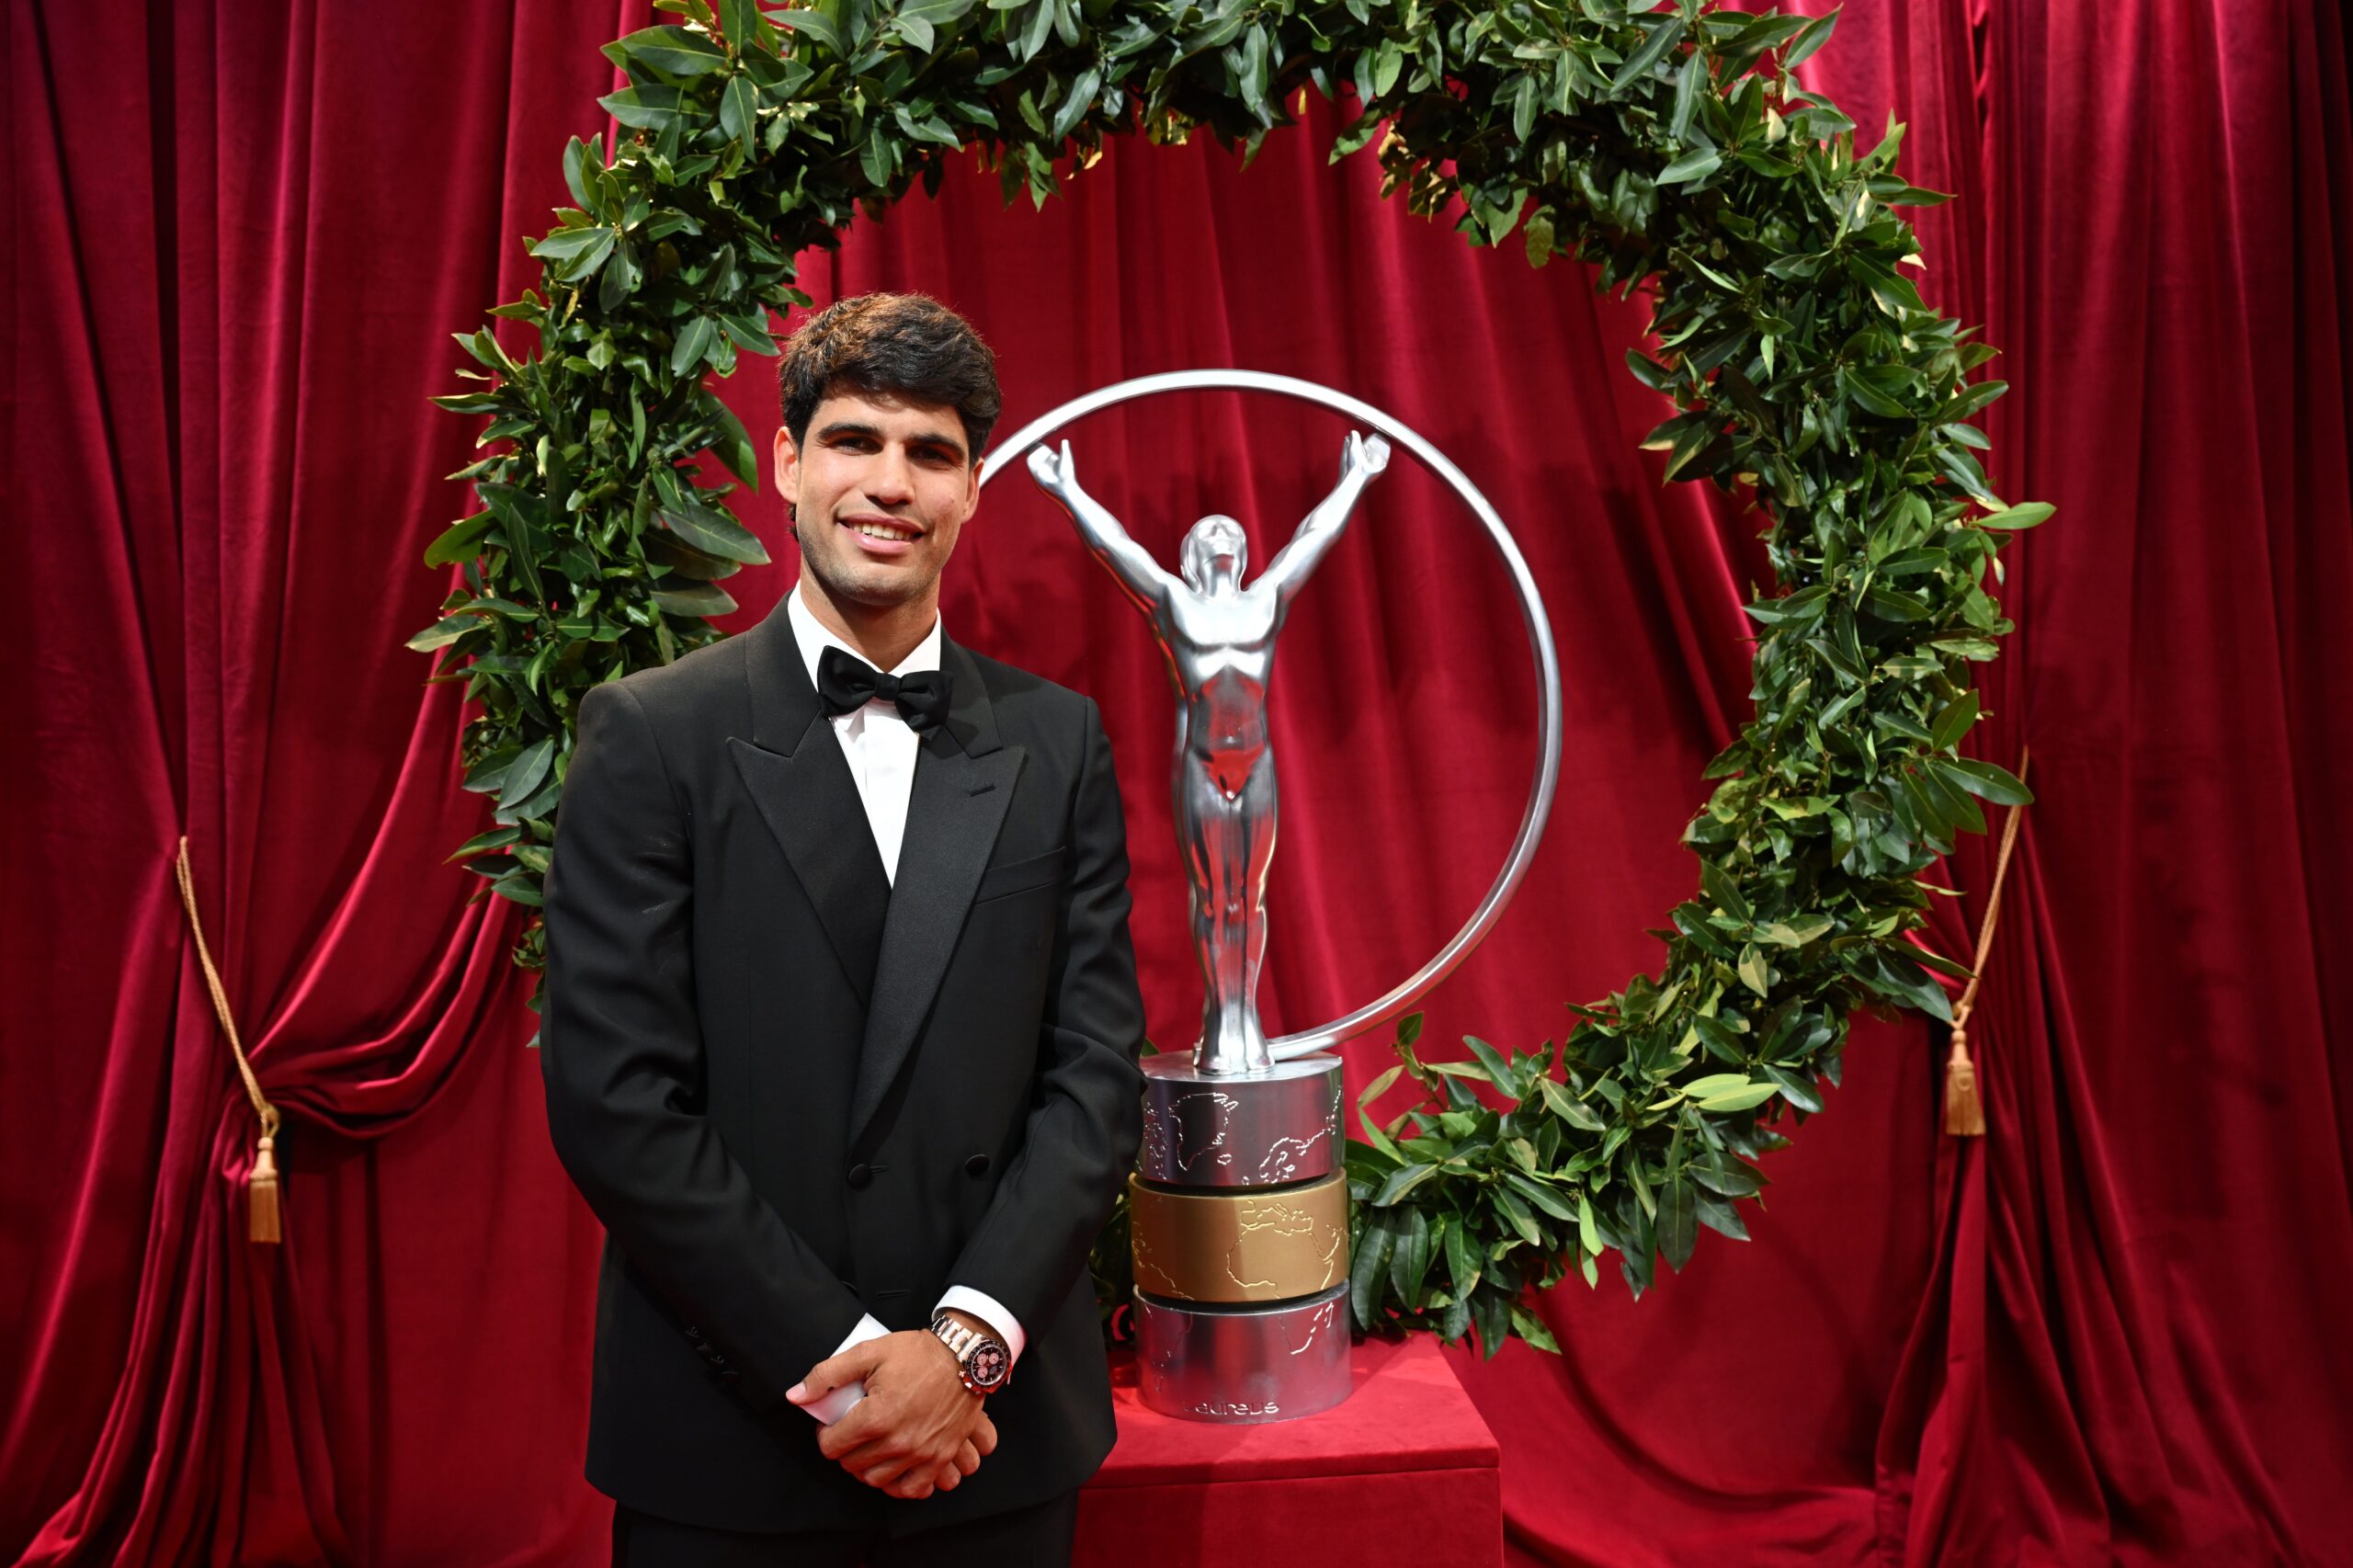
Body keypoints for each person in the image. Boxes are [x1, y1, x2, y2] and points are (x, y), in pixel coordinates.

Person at [540, 291, 1147, 1567]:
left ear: (971, 488)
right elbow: (617, 1103)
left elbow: (1093, 1082)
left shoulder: (1058, 741)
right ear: (786, 462)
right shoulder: (650, 734)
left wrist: (961, 1353)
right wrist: (853, 1370)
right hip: (734, 1437)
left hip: (993, 1442)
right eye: (855, 439)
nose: (890, 483)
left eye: (930, 451)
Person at [1026, 431, 1389, 1074]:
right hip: (1201, 767)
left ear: (1244, 554)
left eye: (1231, 529)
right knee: (1215, 898)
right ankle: (1221, 1019)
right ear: (1192, 556)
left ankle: (1248, 1016)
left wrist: (1356, 477)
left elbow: (1313, 538)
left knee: (1250, 898)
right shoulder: (1174, 602)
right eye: (1208, 530)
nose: (1221, 533)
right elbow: (1118, 548)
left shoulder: (1266, 598)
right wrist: (1066, 489)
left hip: (1257, 765)